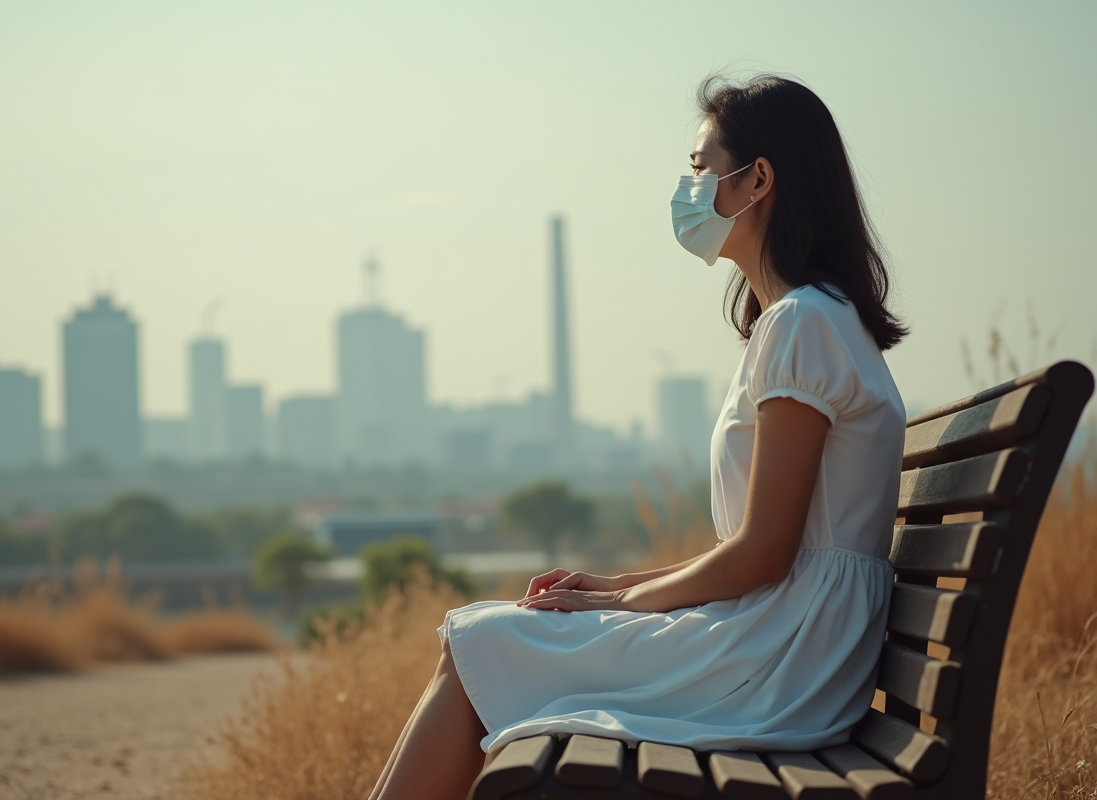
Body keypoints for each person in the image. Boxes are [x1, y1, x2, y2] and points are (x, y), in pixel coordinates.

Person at [368, 74, 909, 800]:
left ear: (758, 181)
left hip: (783, 657)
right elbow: (764, 553)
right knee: (483, 639)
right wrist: (616, 586)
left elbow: (764, 554)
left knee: (481, 645)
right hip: (785, 640)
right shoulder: (807, 320)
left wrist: (616, 605)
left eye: (698, 167)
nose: (687, 188)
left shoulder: (804, 324)